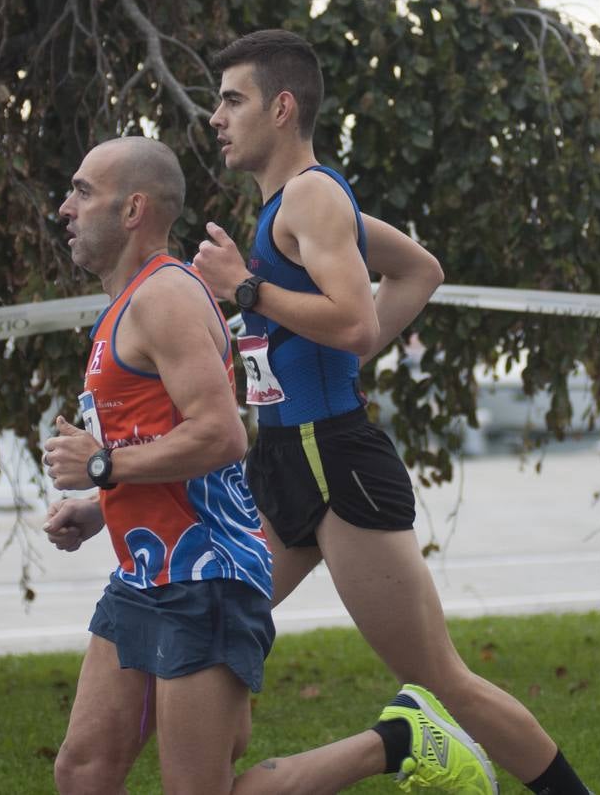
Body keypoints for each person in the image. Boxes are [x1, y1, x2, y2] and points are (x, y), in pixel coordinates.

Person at [192, 29, 593, 795]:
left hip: (334, 465)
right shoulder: (294, 205)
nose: (216, 116)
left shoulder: (309, 196)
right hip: (284, 461)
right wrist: (329, 360)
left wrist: (246, 290)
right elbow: (418, 271)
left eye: (231, 99)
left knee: (442, 677)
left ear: (281, 108)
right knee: (217, 625)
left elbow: (354, 321)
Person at [43, 136, 495, 794]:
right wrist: (99, 506)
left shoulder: (164, 297)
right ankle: (397, 739)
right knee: (83, 770)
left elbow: (222, 435)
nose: (65, 207)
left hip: (206, 582)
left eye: (82, 192)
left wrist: (104, 467)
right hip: (145, 574)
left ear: (133, 208)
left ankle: (396, 741)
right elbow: (172, 446)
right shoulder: (125, 305)